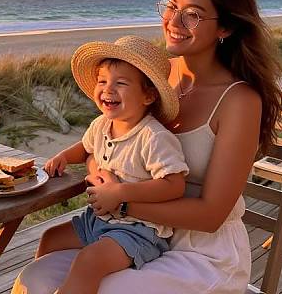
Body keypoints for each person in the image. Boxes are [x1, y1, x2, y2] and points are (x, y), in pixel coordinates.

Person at [12, 0, 282, 294]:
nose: (174, 21)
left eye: (193, 14)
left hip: (201, 251)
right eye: (172, 6)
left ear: (225, 27)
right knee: (36, 275)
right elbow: (109, 140)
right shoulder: (153, 77)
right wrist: (99, 173)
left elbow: (212, 214)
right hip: (130, 228)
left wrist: (122, 202)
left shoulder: (239, 100)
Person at [41, 36, 188, 293]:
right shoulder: (101, 124)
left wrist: (121, 193)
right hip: (97, 221)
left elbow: (174, 185)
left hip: (138, 230)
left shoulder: (153, 137)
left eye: (120, 83)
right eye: (102, 81)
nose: (108, 90)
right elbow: (84, 148)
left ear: (148, 96)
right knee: (50, 238)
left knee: (88, 261)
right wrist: (64, 156)